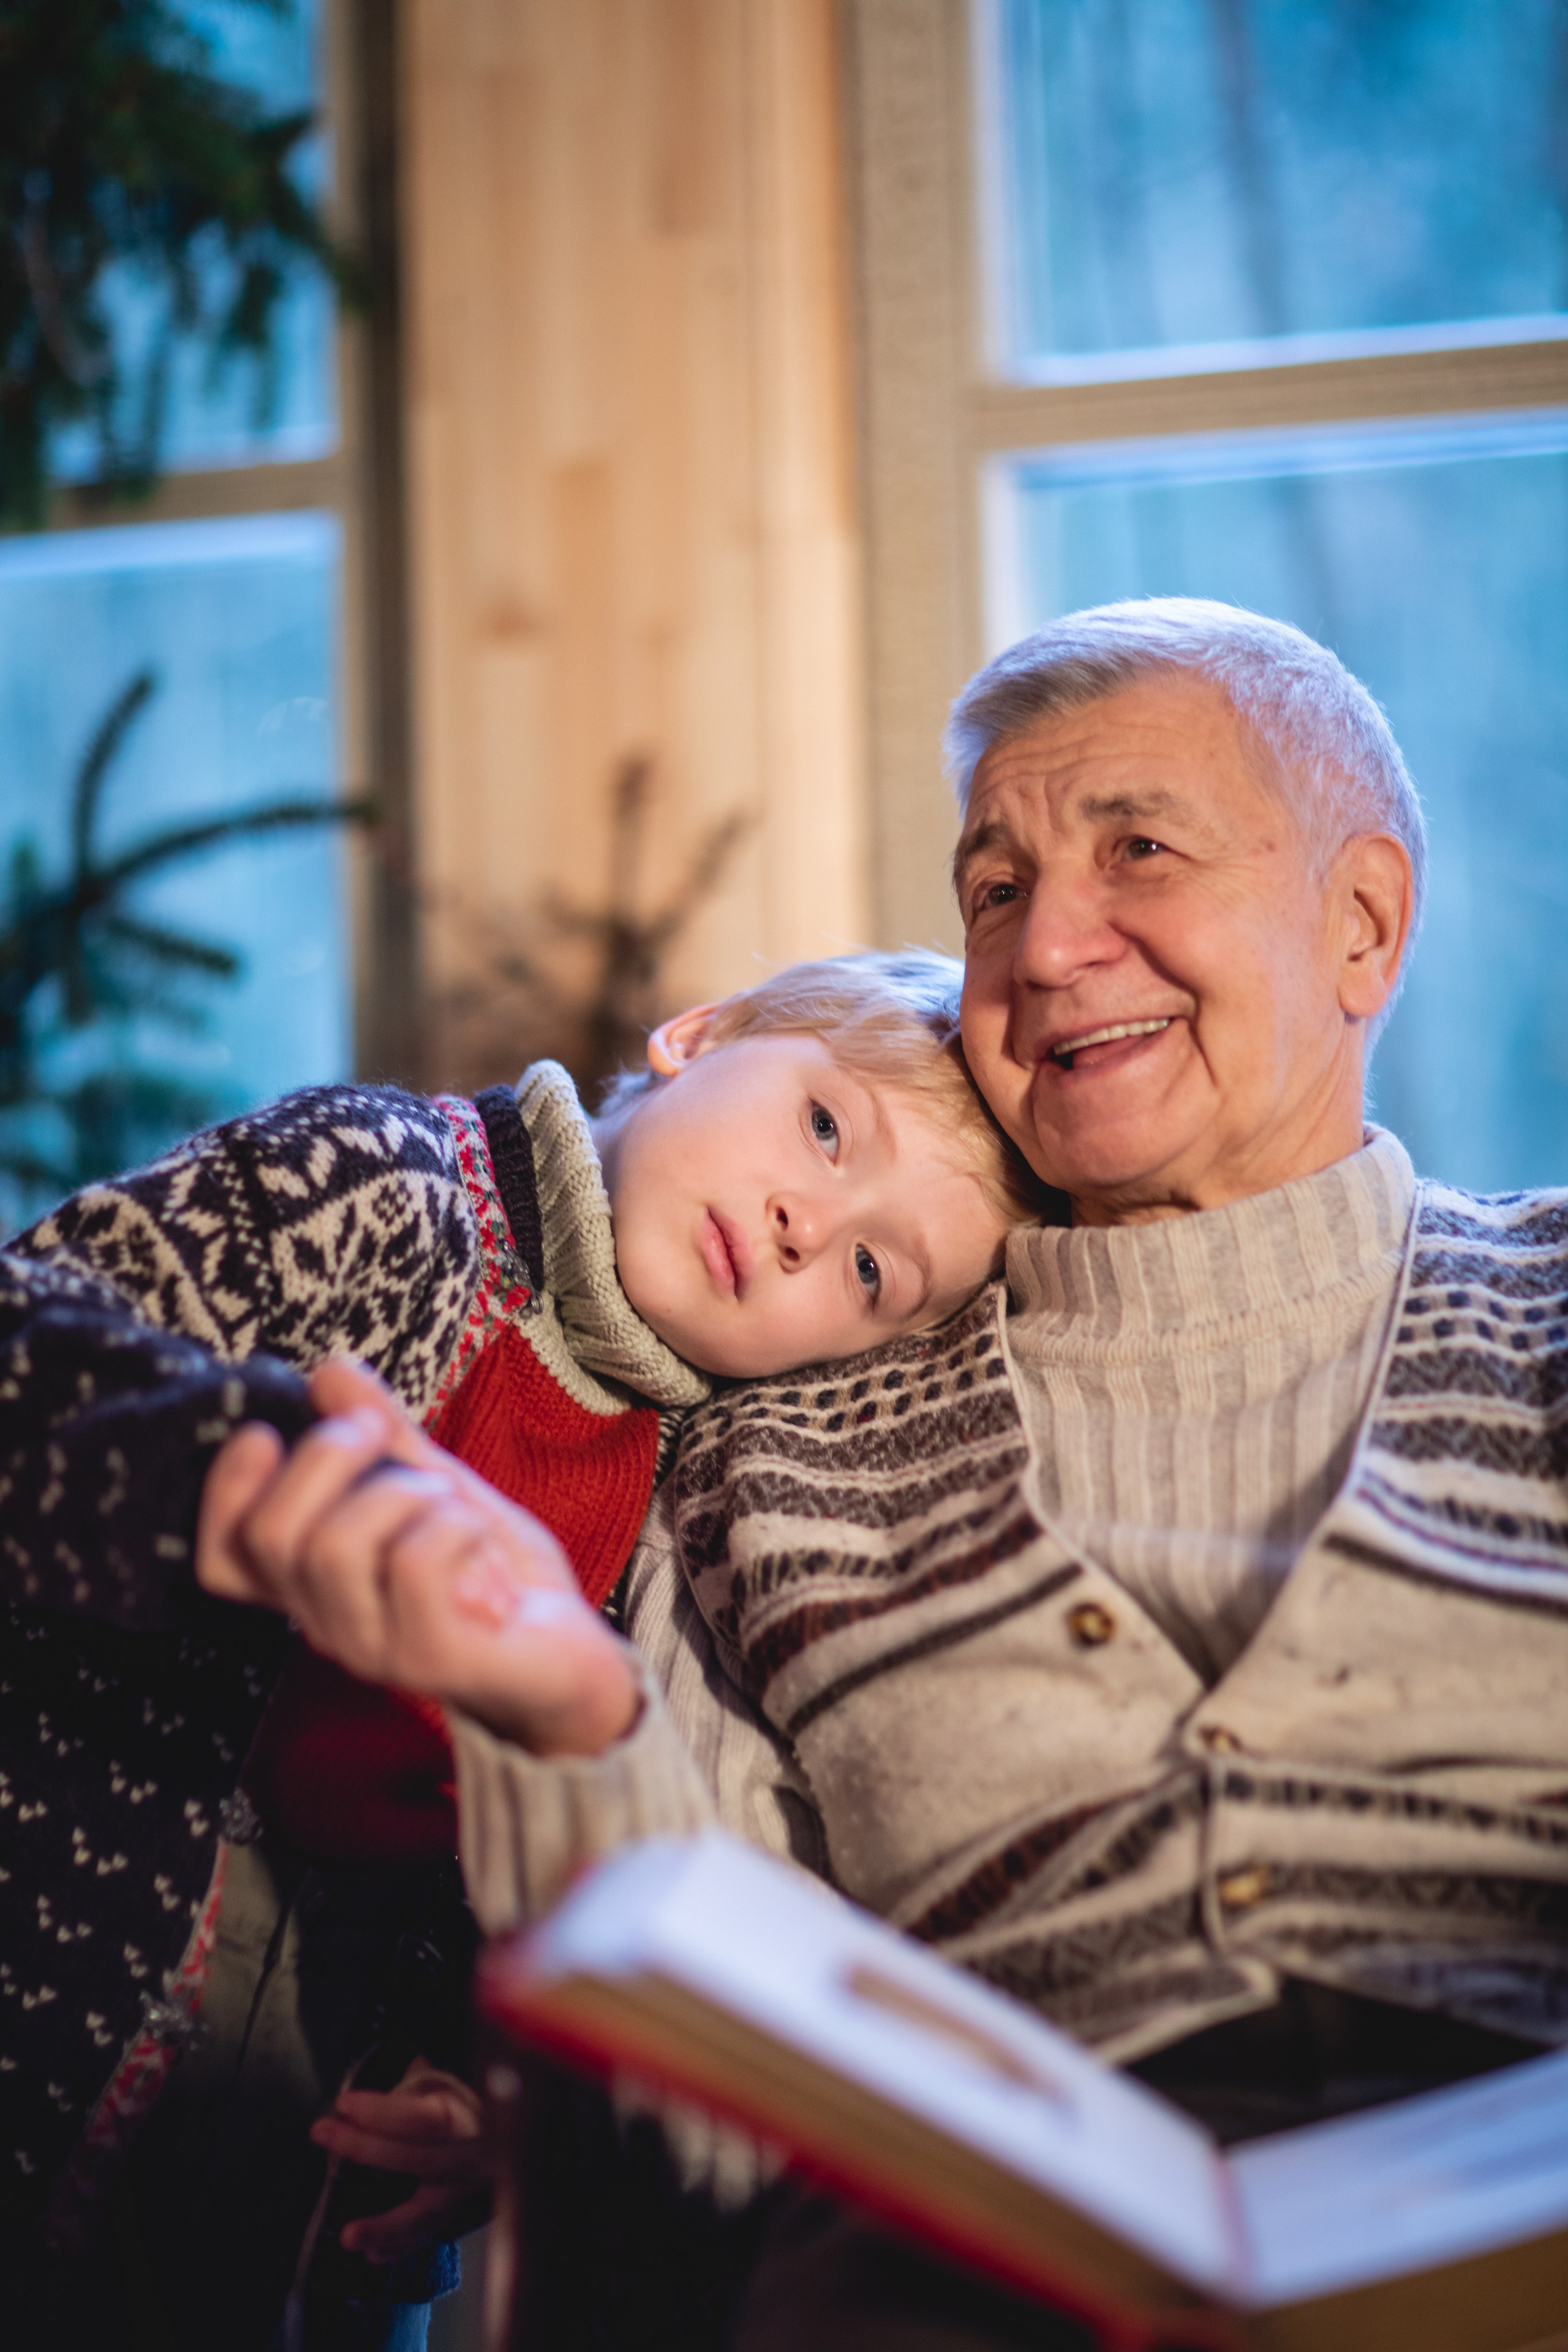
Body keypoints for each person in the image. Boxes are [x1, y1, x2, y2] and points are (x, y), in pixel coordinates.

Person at [198, 601, 1568, 2350]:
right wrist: (566, 1723)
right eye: (993, 889)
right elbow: (681, 2154)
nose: (1051, 946)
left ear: (1362, 925)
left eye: (1137, 850)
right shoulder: (774, 1459)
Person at [0, 947, 1043, 2351]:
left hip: (307, 2129)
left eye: (868, 1267)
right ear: (704, 1030)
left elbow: (566, 1849)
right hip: (61, 1938)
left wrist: (479, 2091)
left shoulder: (706, 1498)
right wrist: (237, 1479)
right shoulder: (382, 1182)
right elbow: (30, 1338)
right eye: (823, 1125)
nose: (806, 1222)